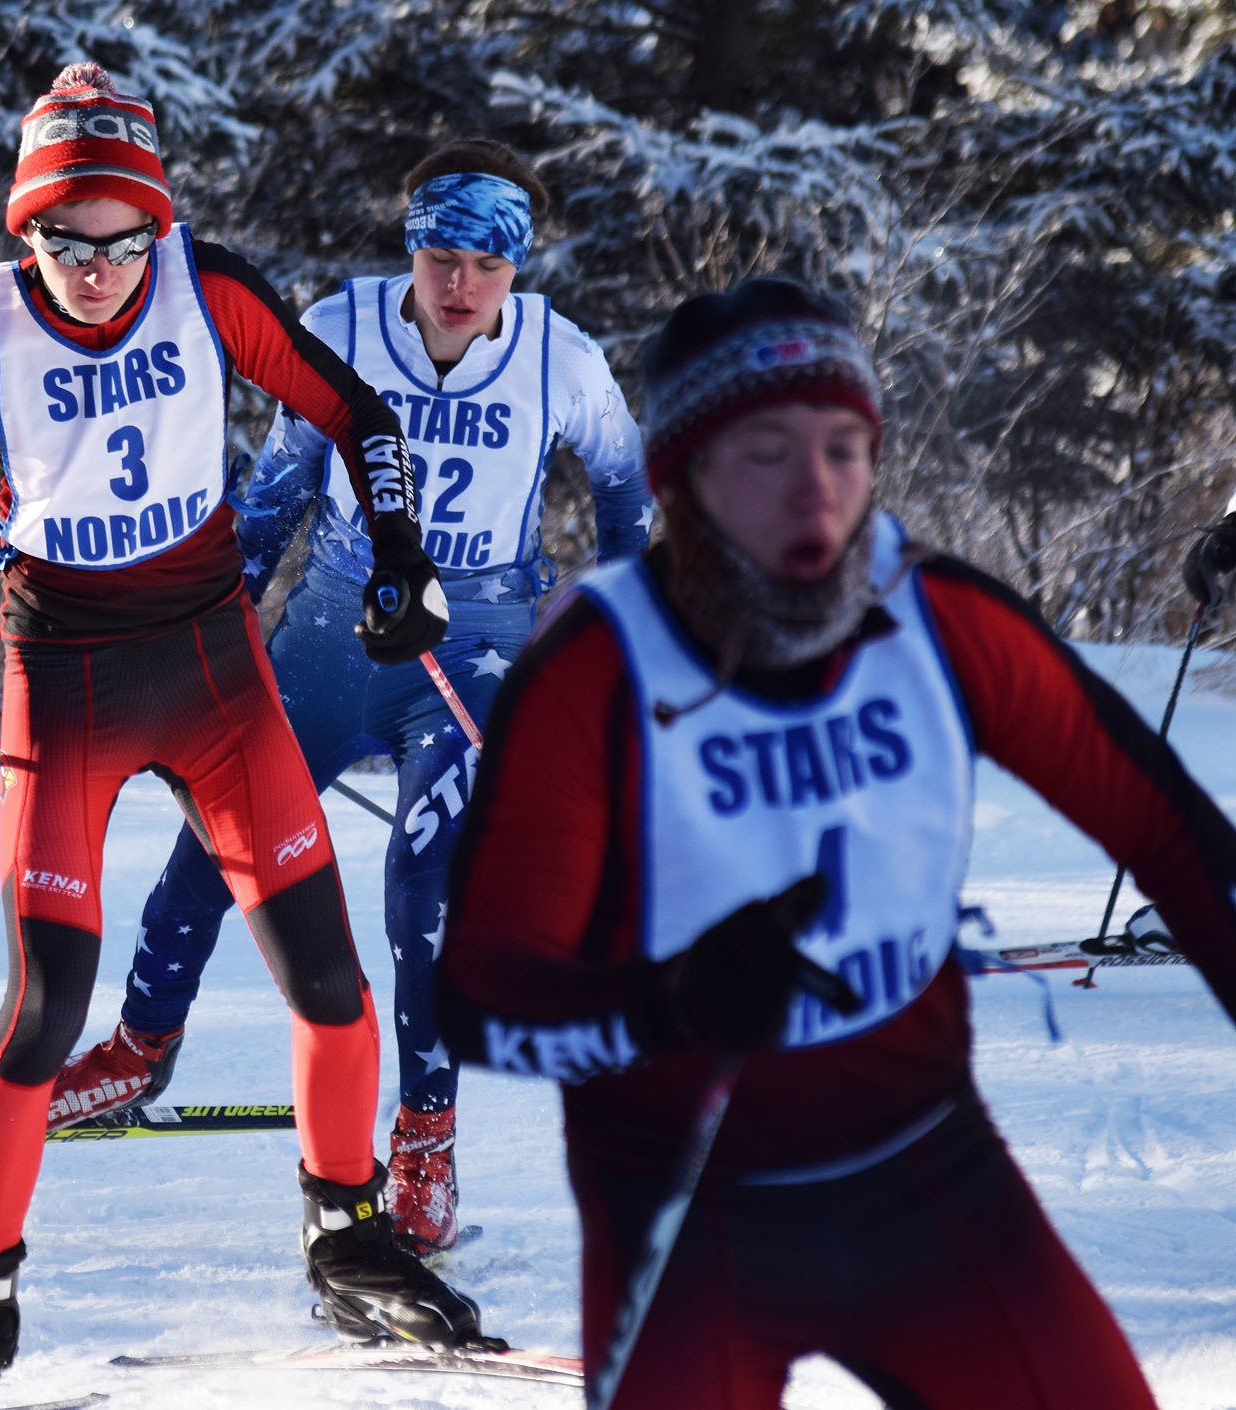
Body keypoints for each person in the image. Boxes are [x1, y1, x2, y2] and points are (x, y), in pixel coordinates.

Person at [0, 63, 488, 1410]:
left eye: (122, 240)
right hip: (67, 686)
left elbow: (361, 414)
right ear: (25, 231)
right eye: (66, 241)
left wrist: (401, 551)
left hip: (214, 669)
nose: (98, 270)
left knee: (331, 986)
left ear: (157, 226)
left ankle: (347, 1238)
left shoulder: (204, 286)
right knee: (45, 1007)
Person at [432, 276, 1236, 1407]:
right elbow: (479, 993)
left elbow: (1168, 830)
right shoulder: (594, 675)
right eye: (764, 452)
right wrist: (672, 1004)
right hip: (687, 1213)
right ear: (681, 480)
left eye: (843, 448)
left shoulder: (937, 617)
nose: (815, 494)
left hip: (928, 1178)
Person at [45, 138, 651, 1254]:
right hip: (328, 634)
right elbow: (274, 490)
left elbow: (625, 493)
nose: (459, 283)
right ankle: (138, 1046)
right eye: (438, 254)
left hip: (467, 655)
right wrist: (198, 622)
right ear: (409, 245)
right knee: (214, 844)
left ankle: (424, 1134)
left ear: (515, 263)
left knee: (420, 884)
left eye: (485, 260)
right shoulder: (342, 325)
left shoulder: (561, 359)